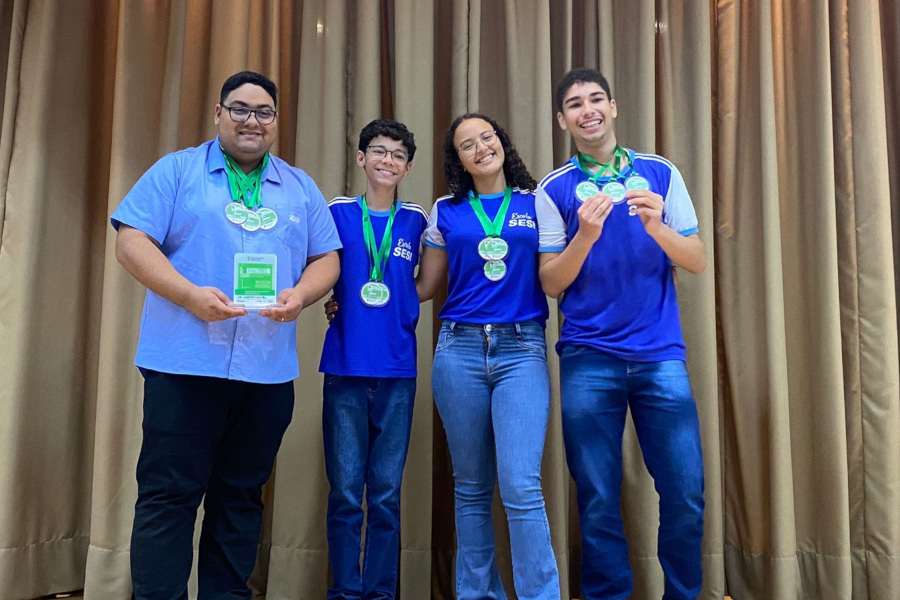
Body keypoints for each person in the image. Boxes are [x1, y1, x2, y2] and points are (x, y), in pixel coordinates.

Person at [110, 71, 341, 600]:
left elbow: (327, 256)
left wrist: (302, 295)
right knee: (169, 497)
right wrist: (190, 295)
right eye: (239, 109)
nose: (251, 121)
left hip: (265, 372)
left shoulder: (300, 186)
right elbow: (131, 240)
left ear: (276, 121)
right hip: (185, 364)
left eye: (263, 112)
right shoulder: (177, 171)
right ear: (218, 114)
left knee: (240, 499)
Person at [535, 67, 707, 600]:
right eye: (574, 104)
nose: (587, 110)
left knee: (685, 494)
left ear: (613, 107)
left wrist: (657, 228)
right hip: (589, 358)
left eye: (595, 100)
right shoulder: (553, 188)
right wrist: (584, 236)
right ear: (562, 119)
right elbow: (550, 283)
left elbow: (697, 261)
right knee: (597, 497)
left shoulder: (659, 172)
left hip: (660, 357)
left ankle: (683, 593)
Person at [416, 113, 561, 600]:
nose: (480, 148)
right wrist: (348, 293)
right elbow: (424, 287)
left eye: (487, 137)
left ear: (503, 142)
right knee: (471, 488)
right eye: (466, 145)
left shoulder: (536, 202)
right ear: (456, 160)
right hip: (458, 348)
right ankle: (478, 594)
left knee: (521, 484)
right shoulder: (445, 211)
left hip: (521, 349)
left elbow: (558, 273)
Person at [318, 119, 428, 600]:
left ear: (407, 167)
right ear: (361, 158)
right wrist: (330, 297)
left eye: (398, 155)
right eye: (379, 152)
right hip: (344, 368)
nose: (388, 160)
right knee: (345, 495)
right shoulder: (337, 211)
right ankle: (345, 591)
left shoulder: (418, 220)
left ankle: (381, 592)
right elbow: (318, 269)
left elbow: (428, 283)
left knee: (385, 495)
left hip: (397, 370)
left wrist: (401, 305)